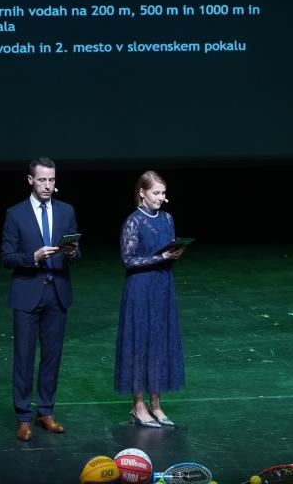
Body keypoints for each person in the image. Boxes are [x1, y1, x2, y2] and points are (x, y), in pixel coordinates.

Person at [1, 157, 80, 441]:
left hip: (57, 293)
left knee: (51, 357)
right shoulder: (15, 214)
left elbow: (76, 251)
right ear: (30, 180)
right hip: (27, 294)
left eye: (52, 180)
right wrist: (32, 257)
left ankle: (45, 411)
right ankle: (23, 417)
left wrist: (72, 252)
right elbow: (7, 257)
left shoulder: (66, 211)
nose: (48, 185)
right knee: (24, 358)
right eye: (43, 179)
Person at [115, 171, 186, 428]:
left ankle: (156, 404)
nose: (160, 197)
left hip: (162, 286)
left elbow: (168, 251)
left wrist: (174, 254)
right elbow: (128, 260)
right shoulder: (133, 222)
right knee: (140, 344)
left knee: (159, 343)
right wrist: (161, 258)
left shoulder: (167, 219)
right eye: (156, 192)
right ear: (142, 193)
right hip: (140, 288)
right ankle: (138, 405)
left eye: (163, 193)